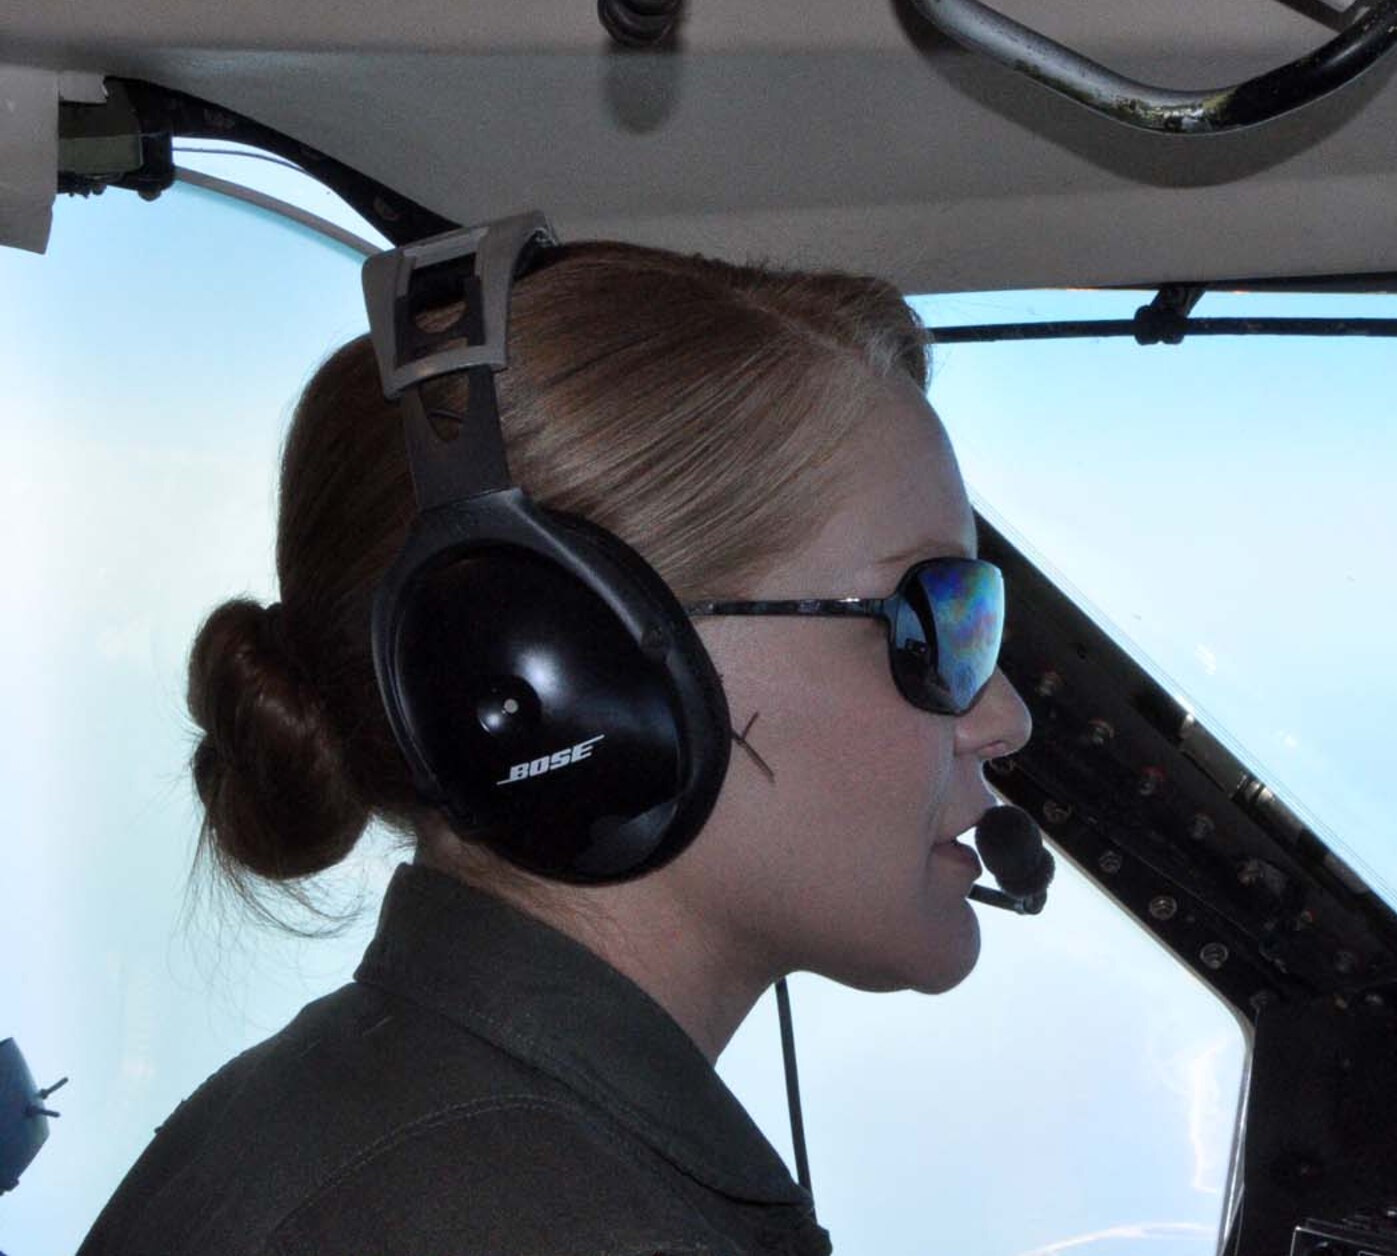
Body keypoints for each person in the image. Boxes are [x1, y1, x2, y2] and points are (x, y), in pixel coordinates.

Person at [78, 238, 1034, 1255]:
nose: (1003, 715)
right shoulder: (554, 1221)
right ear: (561, 679)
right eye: (933, 614)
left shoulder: (335, 1125)